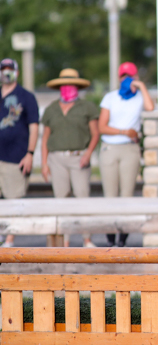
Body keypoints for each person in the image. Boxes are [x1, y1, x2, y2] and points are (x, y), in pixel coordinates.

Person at [41, 68, 100, 247]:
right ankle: (64, 241)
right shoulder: (51, 109)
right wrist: (44, 163)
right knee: (61, 199)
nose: (67, 88)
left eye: (71, 85)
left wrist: (88, 153)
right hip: (57, 158)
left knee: (82, 197)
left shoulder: (87, 107)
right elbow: (45, 138)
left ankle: (86, 239)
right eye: (64, 85)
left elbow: (95, 133)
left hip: (78, 156)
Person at [98, 62, 154, 247]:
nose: (127, 79)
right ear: (119, 77)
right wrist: (124, 132)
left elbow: (150, 108)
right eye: (124, 76)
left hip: (130, 149)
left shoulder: (138, 97)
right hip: (111, 148)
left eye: (131, 76)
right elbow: (102, 127)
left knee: (127, 195)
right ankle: (110, 237)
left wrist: (142, 87)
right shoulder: (111, 97)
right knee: (110, 195)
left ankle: (122, 238)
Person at [0, 58, 39, 247]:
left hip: (15, 157)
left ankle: (9, 239)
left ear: (16, 72)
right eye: (3, 69)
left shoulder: (26, 97)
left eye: (10, 69)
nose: (6, 72)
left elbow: (34, 127)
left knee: (13, 200)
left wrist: (30, 153)